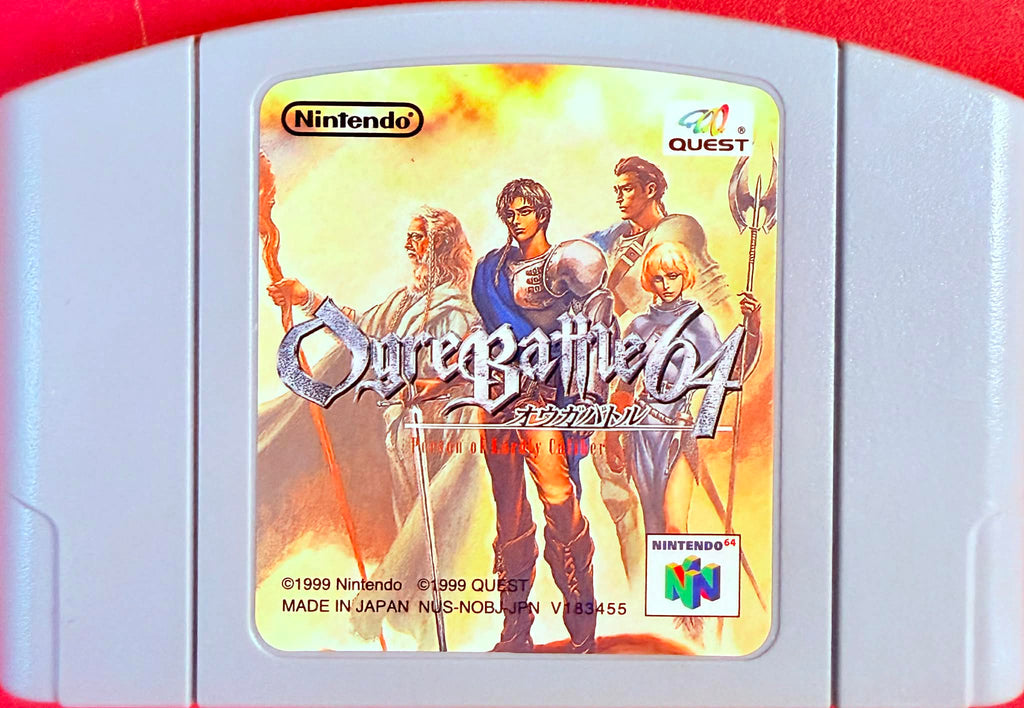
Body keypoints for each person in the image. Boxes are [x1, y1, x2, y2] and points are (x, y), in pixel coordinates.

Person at [259, 199, 492, 648]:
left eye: (418, 237)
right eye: (409, 237)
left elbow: (455, 373)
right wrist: (307, 299)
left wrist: (420, 386)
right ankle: (419, 633)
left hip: (435, 433)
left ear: (440, 246)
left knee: (429, 533)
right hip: (399, 432)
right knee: (408, 524)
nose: (409, 245)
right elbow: (360, 331)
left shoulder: (455, 311)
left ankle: (434, 638)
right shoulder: (404, 302)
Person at [471, 178, 613, 653]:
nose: (516, 220)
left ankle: (582, 629)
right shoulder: (489, 271)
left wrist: (587, 396)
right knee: (508, 512)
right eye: (509, 212)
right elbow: (484, 331)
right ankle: (515, 631)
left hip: (544, 401)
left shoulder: (572, 266)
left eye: (525, 211)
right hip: (498, 399)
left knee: (559, 499)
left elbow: (596, 334)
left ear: (542, 213)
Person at [611, 241, 761, 534]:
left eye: (673, 276)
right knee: (653, 526)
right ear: (650, 282)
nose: (666, 285)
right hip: (641, 431)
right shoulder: (639, 326)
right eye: (659, 278)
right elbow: (624, 388)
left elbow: (731, 372)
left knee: (675, 527)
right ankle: (657, 569)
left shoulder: (698, 324)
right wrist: (612, 437)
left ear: (685, 276)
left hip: (679, 431)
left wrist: (752, 328)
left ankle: (683, 568)